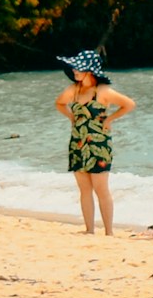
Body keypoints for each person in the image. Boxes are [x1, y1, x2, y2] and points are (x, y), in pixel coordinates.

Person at [53, 50, 135, 235]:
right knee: (84, 189)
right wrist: (71, 117)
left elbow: (129, 104)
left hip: (99, 145)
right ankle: (89, 230)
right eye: (74, 68)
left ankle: (109, 232)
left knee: (101, 189)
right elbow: (59, 103)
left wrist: (109, 119)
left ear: (90, 70)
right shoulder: (73, 90)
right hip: (77, 143)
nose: (74, 71)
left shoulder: (103, 91)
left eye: (78, 68)